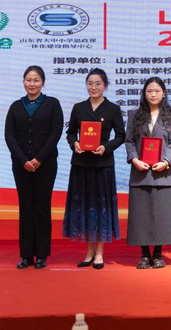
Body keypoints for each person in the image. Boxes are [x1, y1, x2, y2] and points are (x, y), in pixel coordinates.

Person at [62, 68, 125, 269]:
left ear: (105, 86)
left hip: (102, 165)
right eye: (90, 83)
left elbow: (121, 136)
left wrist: (106, 147)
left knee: (100, 208)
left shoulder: (112, 109)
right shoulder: (79, 107)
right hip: (81, 165)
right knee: (85, 207)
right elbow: (70, 133)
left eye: (98, 83)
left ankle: (99, 253)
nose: (94, 87)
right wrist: (74, 143)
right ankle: (88, 251)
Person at [4, 65, 63, 270]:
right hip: (21, 166)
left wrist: (39, 159)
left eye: (36, 80)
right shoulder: (15, 106)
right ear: (23, 82)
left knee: (42, 207)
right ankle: (26, 255)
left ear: (43, 82)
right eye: (28, 80)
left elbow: (55, 133)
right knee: (26, 207)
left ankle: (42, 254)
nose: (32, 84)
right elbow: (9, 136)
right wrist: (23, 160)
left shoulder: (52, 104)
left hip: (46, 164)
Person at [125, 77, 171, 269]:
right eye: (149, 91)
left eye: (157, 91)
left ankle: (157, 254)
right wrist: (134, 159)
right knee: (141, 215)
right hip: (140, 172)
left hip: (163, 173)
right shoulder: (134, 115)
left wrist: (166, 161)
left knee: (161, 215)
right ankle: (144, 255)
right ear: (144, 93)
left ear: (163, 93)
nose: (153, 94)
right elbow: (129, 141)